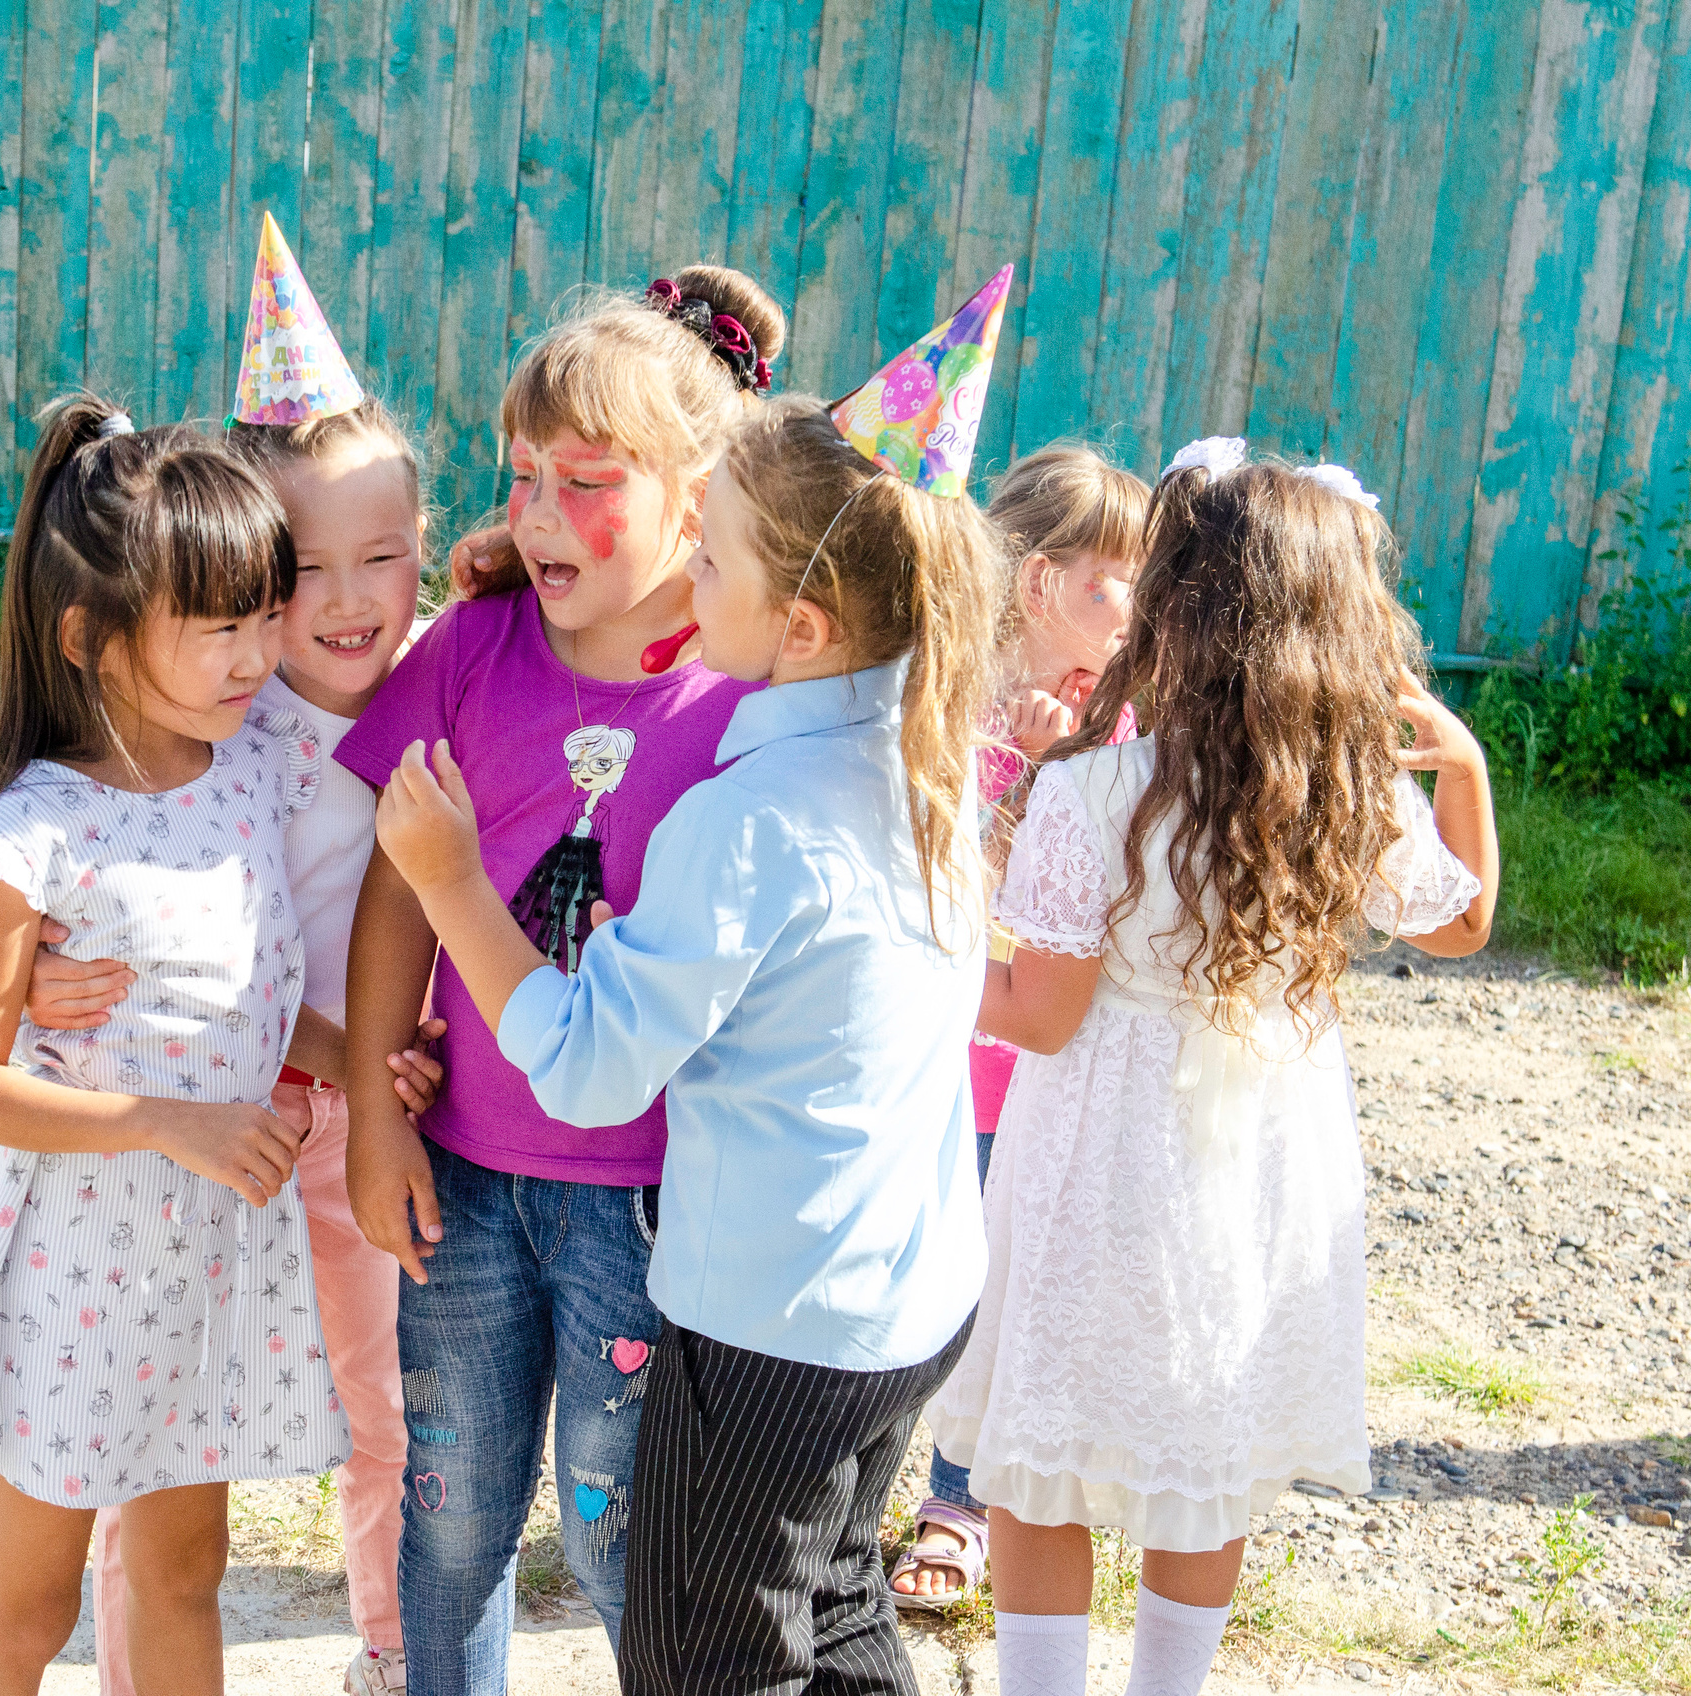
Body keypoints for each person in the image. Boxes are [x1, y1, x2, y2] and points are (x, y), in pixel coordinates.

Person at [371, 387, 1002, 1693]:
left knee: (705, 1657)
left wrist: (451, 886)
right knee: (830, 1613)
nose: (687, 582)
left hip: (777, 1323)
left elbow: (589, 1069)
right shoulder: (924, 769)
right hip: (904, 1299)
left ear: (804, 624)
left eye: (708, 559)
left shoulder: (753, 812)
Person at [929, 437, 1499, 1696]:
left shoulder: (1097, 792)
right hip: (1257, 1175)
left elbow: (1032, 1013)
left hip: (1096, 1161)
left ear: (1175, 615)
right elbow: (1461, 925)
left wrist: (911, 955)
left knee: (1044, 1452)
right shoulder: (1344, 795)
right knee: (1208, 1443)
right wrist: (1459, 770)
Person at [337, 265, 783, 1696]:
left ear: (699, 485)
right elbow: (397, 877)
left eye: (581, 481)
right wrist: (371, 1111)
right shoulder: (470, 646)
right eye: (518, 476)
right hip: (463, 1179)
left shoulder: (754, 694)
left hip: (654, 1204)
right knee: (452, 1521)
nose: (533, 517)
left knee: (618, 1543)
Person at [19, 217, 444, 1696]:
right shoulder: (215, 710)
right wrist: (30, 971)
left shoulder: (455, 677)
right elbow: (68, 847)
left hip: (380, 1116)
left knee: (386, 1408)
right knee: (160, 1438)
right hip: (212, 1114)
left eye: (381, 557)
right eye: (294, 571)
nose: (339, 603)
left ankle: (393, 1651)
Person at [0, 396, 350, 1696]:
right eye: (218, 624)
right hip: (74, 1284)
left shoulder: (252, 767)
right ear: (92, 638)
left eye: (262, 615)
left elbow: (241, 1007)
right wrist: (174, 1123)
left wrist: (361, 1052)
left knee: (183, 1581)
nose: (255, 653)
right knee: (31, 1607)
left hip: (209, 1273)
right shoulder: (34, 836)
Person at [895, 444, 1151, 1613]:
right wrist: (1023, 782)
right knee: (915, 1282)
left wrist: (1066, 774)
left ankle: (958, 1498)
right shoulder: (944, 703)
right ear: (1038, 583)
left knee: (1000, 1291)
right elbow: (948, 874)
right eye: (1118, 582)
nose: (1140, 608)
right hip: (937, 1057)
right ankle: (857, 1488)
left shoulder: (1131, 730)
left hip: (1043, 1069)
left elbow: (1099, 897)